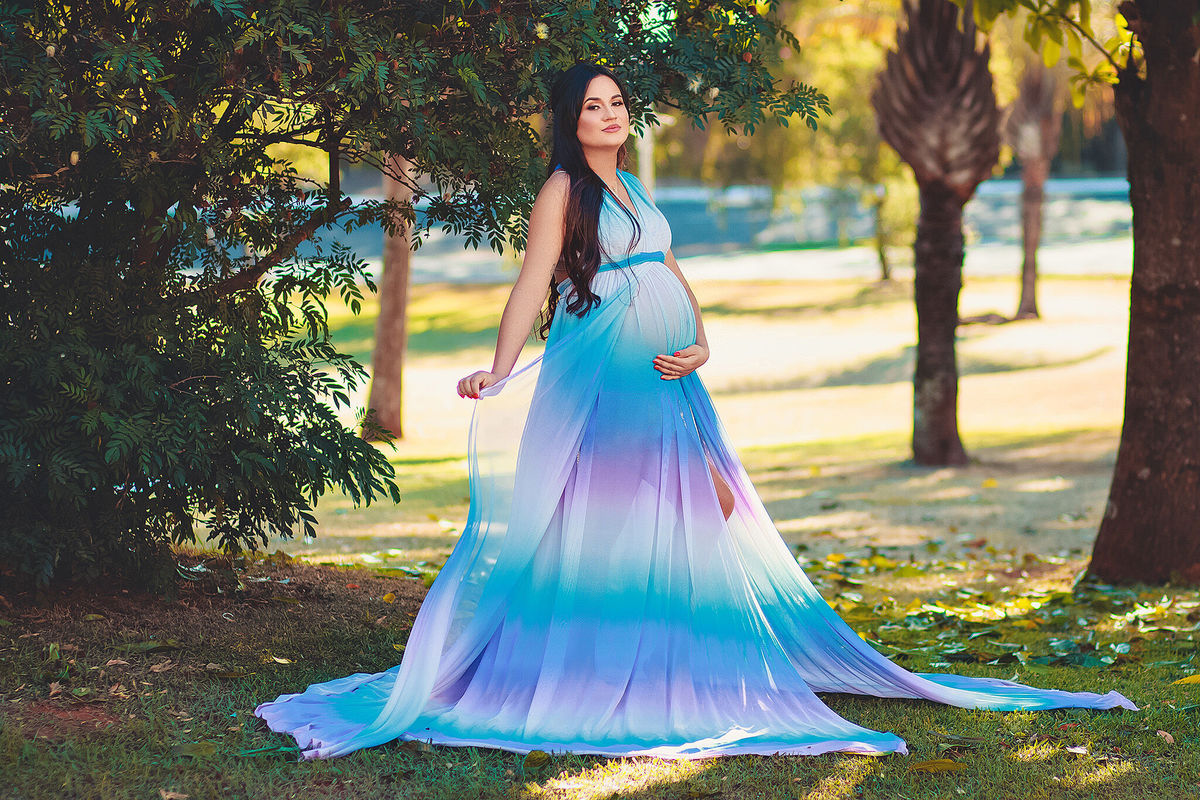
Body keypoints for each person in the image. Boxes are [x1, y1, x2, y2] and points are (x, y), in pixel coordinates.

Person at [254, 62, 1135, 760]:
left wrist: (703, 340)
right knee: (614, 515)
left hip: (674, 380)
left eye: (616, 102)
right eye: (592, 106)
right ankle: (601, 662)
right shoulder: (565, 190)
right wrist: (497, 370)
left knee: (706, 504)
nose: (608, 114)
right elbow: (533, 283)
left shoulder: (636, 189)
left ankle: (671, 643)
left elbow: (670, 275)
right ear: (570, 121)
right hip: (606, 379)